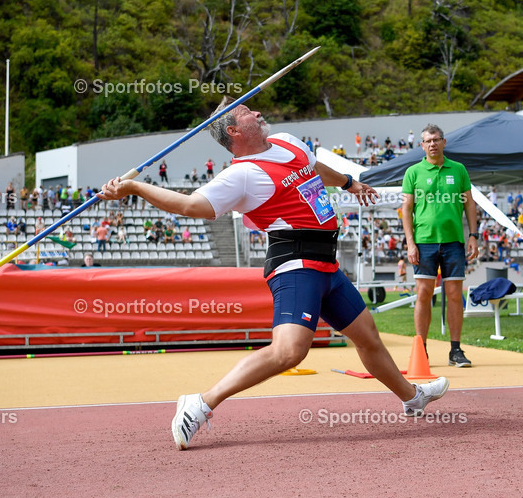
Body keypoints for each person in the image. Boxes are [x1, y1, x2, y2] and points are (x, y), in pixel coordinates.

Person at [97, 100, 449, 450]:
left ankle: (411, 397)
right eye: (248, 112)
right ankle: (200, 403)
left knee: (367, 336)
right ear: (234, 130)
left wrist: (347, 183)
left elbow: (314, 168)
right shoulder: (241, 174)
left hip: (325, 262)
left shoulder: (287, 141)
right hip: (295, 263)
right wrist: (137, 189)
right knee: (289, 351)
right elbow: (193, 206)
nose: (258, 113)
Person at [400, 124, 479, 368]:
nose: (432, 144)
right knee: (423, 294)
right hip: (424, 242)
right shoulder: (413, 172)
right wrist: (410, 243)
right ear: (422, 145)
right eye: (428, 141)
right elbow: (406, 209)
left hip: (454, 241)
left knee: (455, 295)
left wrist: (474, 235)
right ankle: (421, 349)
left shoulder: (459, 169)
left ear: (444, 142)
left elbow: (469, 205)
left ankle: (455, 350)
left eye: (436, 139)